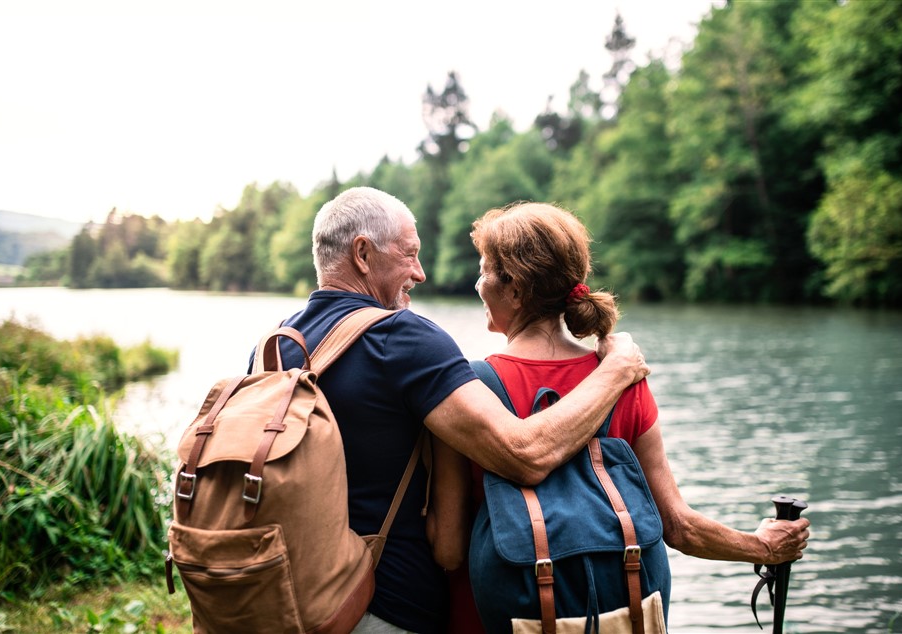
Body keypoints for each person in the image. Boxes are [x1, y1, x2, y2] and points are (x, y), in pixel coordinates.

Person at [251, 187, 651, 634]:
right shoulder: (402, 338)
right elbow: (524, 454)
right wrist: (615, 371)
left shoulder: (275, 345)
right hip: (383, 608)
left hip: (288, 601)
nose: (420, 273)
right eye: (409, 254)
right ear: (363, 254)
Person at [449, 201, 812, 632]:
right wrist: (762, 546)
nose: (477, 283)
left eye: (484, 269)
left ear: (515, 289)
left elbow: (448, 547)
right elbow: (678, 527)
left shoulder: (471, 389)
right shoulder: (624, 378)